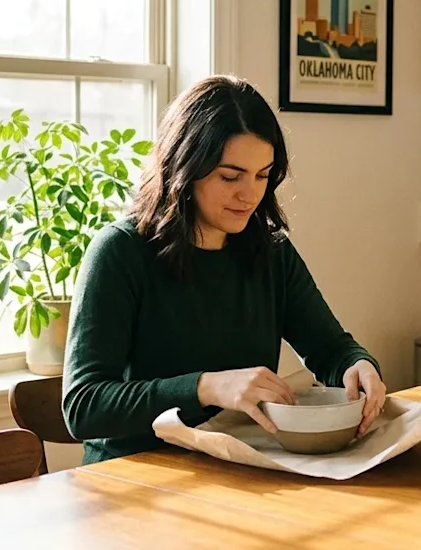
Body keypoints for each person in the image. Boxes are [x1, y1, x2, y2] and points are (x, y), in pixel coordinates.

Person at [63, 74, 386, 464]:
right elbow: (84, 407)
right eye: (230, 176)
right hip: (133, 477)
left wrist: (358, 365)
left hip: (236, 467)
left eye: (262, 176)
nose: (249, 195)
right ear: (184, 168)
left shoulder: (271, 251)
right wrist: (206, 388)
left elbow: (330, 348)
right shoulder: (119, 252)